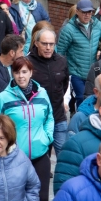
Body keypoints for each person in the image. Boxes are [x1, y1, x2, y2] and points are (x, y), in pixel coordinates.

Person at [0, 57, 53, 201]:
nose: (21, 76)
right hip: (14, 157)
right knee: (16, 200)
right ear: (12, 74)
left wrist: (47, 137)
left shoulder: (42, 93)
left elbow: (49, 118)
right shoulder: (3, 98)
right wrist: (5, 145)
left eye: (24, 72)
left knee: (43, 199)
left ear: (31, 73)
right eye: (17, 72)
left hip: (40, 155)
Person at [26, 27, 70, 157]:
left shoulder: (61, 61)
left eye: (51, 44)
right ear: (36, 43)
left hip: (58, 117)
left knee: (63, 156)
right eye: (44, 44)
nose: (48, 47)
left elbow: (65, 84)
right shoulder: (27, 63)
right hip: (38, 120)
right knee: (42, 157)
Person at [57, 0, 101, 108]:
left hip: (93, 72)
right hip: (76, 73)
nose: (87, 15)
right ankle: (80, 120)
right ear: (77, 11)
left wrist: (100, 49)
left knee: (95, 98)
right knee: (81, 98)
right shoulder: (68, 30)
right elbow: (60, 52)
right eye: (84, 12)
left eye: (89, 12)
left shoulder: (98, 25)